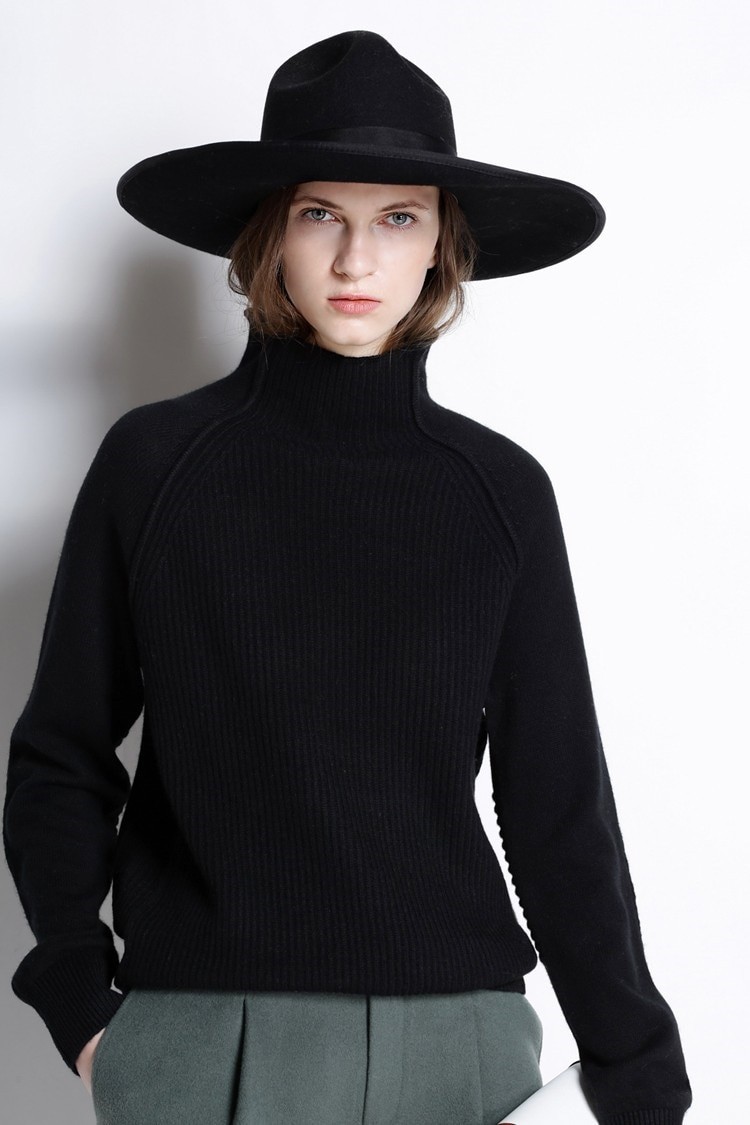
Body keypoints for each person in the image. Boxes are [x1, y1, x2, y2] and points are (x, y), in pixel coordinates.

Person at [3, 28, 692, 1125]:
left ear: (442, 243)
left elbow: (557, 801)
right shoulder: (157, 465)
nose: (356, 261)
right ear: (269, 233)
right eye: (321, 214)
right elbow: (61, 752)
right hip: (202, 1035)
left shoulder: (500, 492)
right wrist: (79, 998)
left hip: (459, 1040)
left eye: (398, 219)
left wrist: (638, 1068)